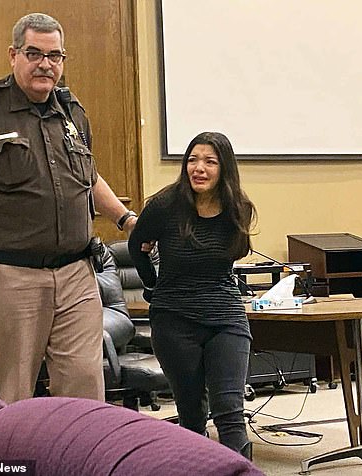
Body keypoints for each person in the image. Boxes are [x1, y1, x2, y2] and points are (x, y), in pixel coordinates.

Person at [0, 13, 137, 404]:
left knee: (86, 393)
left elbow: (89, 176)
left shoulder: (72, 112)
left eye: (55, 56)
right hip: (11, 276)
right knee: (14, 393)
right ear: (13, 55)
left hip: (77, 273)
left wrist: (126, 219)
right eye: (34, 53)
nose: (46, 64)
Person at [128, 131, 257, 458]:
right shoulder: (164, 206)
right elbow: (136, 248)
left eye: (210, 162)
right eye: (192, 160)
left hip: (225, 317)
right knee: (192, 416)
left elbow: (236, 252)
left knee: (229, 410)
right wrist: (152, 286)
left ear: (224, 168)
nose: (199, 168)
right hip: (175, 319)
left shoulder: (238, 207)